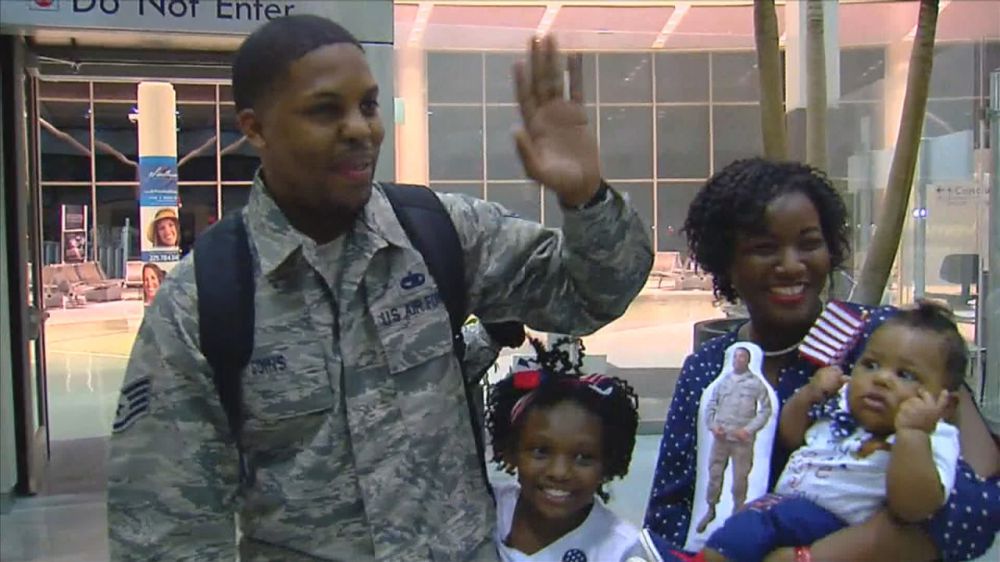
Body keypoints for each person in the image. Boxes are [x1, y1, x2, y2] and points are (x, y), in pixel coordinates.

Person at [108, 14, 652, 562]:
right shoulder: (203, 300)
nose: (360, 129)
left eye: (368, 105)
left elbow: (591, 295)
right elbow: (165, 531)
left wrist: (587, 200)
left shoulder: (441, 234)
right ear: (255, 128)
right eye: (326, 110)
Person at [644, 158, 998, 562]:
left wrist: (822, 555)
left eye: (809, 243)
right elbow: (671, 509)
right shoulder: (709, 367)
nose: (792, 264)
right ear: (726, 263)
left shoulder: (883, 339)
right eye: (764, 248)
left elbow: (980, 498)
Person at [695, 302, 964, 562]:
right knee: (745, 524)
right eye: (870, 365)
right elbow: (790, 435)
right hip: (785, 509)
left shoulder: (933, 436)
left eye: (905, 375)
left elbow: (915, 508)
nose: (881, 379)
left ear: (945, 405)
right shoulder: (843, 401)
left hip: (838, 529)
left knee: (738, 539)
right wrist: (810, 394)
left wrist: (913, 435)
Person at [486, 338, 646, 562]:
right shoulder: (483, 512)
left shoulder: (623, 550)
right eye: (541, 451)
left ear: (608, 462)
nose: (560, 472)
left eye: (583, 457)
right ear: (511, 451)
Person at [696, 344, 773, 533]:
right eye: (735, 357)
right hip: (721, 438)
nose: (737, 360)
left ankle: (737, 515)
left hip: (742, 442)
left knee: (739, 480)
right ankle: (711, 509)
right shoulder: (723, 382)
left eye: (741, 357)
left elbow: (765, 410)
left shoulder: (756, 384)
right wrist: (713, 427)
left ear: (747, 361)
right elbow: (711, 406)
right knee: (714, 477)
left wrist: (749, 430)